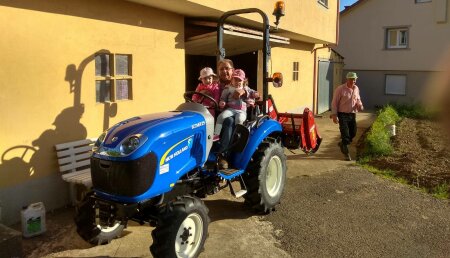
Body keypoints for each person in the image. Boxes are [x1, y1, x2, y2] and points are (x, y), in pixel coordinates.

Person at [213, 69, 257, 140]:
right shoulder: (228, 88)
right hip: (231, 109)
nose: (237, 82)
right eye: (235, 80)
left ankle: (237, 137)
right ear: (232, 80)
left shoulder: (246, 89)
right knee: (221, 117)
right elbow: (223, 98)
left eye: (239, 80)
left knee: (239, 120)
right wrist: (222, 102)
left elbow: (253, 93)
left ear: (243, 81)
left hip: (241, 110)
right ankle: (216, 134)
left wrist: (255, 94)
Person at [330, 72, 364, 161]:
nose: (354, 81)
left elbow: (358, 99)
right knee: (345, 134)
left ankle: (342, 144)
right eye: (352, 79)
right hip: (342, 115)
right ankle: (346, 152)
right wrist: (334, 115)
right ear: (347, 79)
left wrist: (360, 105)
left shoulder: (356, 88)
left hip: (352, 114)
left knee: (353, 133)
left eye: (355, 79)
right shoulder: (340, 89)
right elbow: (334, 103)